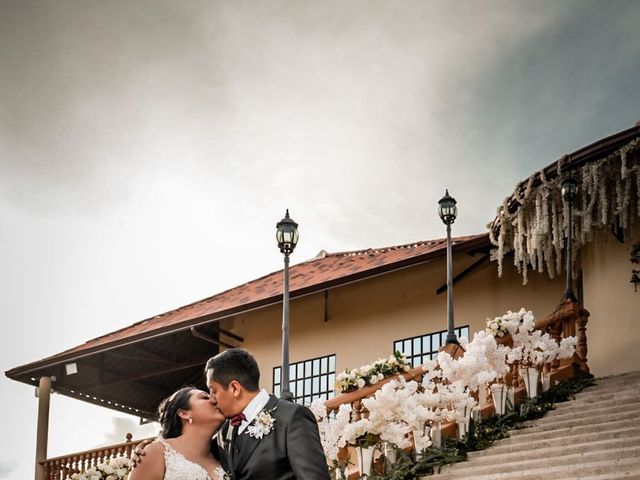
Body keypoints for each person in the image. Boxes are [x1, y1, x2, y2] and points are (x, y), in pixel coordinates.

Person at [206, 348, 330, 480]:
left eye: (214, 390)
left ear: (235, 388)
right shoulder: (223, 433)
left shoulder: (292, 417)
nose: (211, 399)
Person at [128, 387, 227, 480]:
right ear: (184, 413)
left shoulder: (225, 455)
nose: (214, 400)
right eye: (205, 397)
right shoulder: (157, 452)